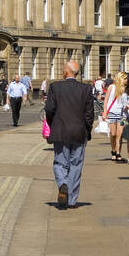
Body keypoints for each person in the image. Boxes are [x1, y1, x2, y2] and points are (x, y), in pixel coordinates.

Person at [45, 61, 95, 209]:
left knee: (60, 163)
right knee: (76, 165)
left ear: (66, 72)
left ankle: (63, 184)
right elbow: (89, 114)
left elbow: (49, 109)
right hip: (79, 132)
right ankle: (72, 200)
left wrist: (53, 123)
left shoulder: (55, 87)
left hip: (60, 131)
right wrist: (87, 129)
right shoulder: (86, 89)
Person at [103, 75, 126, 162]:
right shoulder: (111, 87)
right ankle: (113, 150)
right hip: (112, 113)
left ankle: (118, 153)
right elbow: (106, 100)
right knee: (113, 134)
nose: (126, 80)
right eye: (125, 79)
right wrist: (105, 112)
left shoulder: (125, 89)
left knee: (120, 134)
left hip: (122, 114)